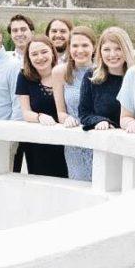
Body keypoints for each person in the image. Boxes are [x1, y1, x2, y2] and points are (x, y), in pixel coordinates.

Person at [15, 36, 68, 177]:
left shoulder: (64, 73)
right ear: (28, 57)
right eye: (34, 54)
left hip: (65, 142)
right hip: (37, 143)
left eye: (44, 52)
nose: (40, 57)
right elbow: (26, 112)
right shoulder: (24, 77)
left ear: (52, 52)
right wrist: (39, 117)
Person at [54, 25, 97, 181]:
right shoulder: (60, 72)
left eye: (85, 45)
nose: (80, 50)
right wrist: (67, 118)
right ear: (69, 48)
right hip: (74, 144)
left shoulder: (101, 72)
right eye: (75, 45)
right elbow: (60, 112)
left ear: (94, 47)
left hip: (99, 139)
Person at [80, 27, 132, 130]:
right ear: (100, 52)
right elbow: (84, 114)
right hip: (102, 140)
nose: (112, 54)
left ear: (126, 49)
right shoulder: (91, 76)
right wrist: (100, 120)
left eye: (118, 48)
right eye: (107, 49)